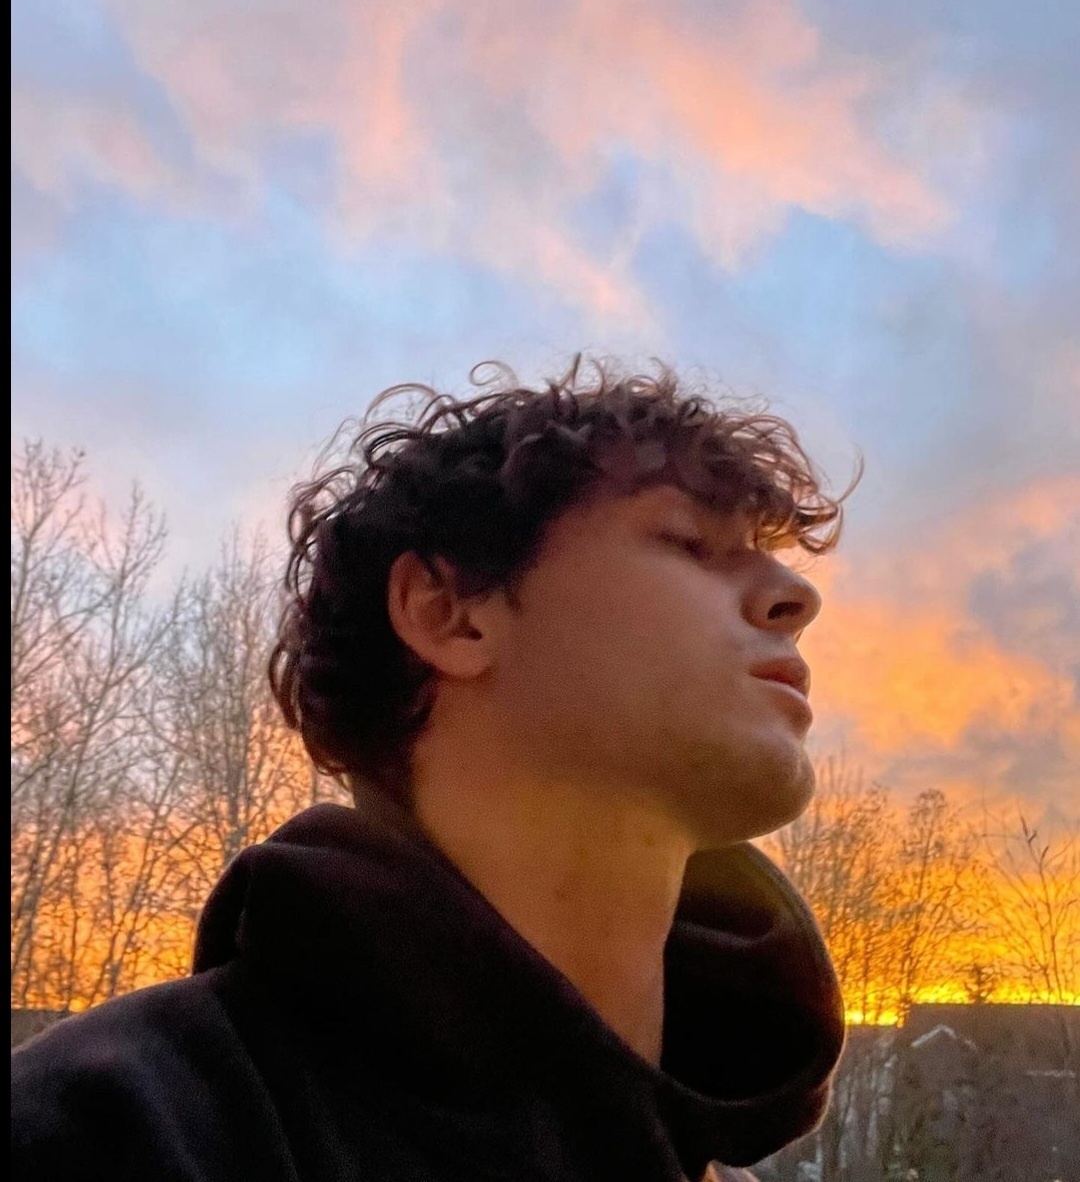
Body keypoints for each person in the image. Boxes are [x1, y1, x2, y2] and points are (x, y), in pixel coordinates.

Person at [12, 358, 851, 1182]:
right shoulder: (107, 1130)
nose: (796, 597)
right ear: (448, 614)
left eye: (769, 555)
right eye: (690, 542)